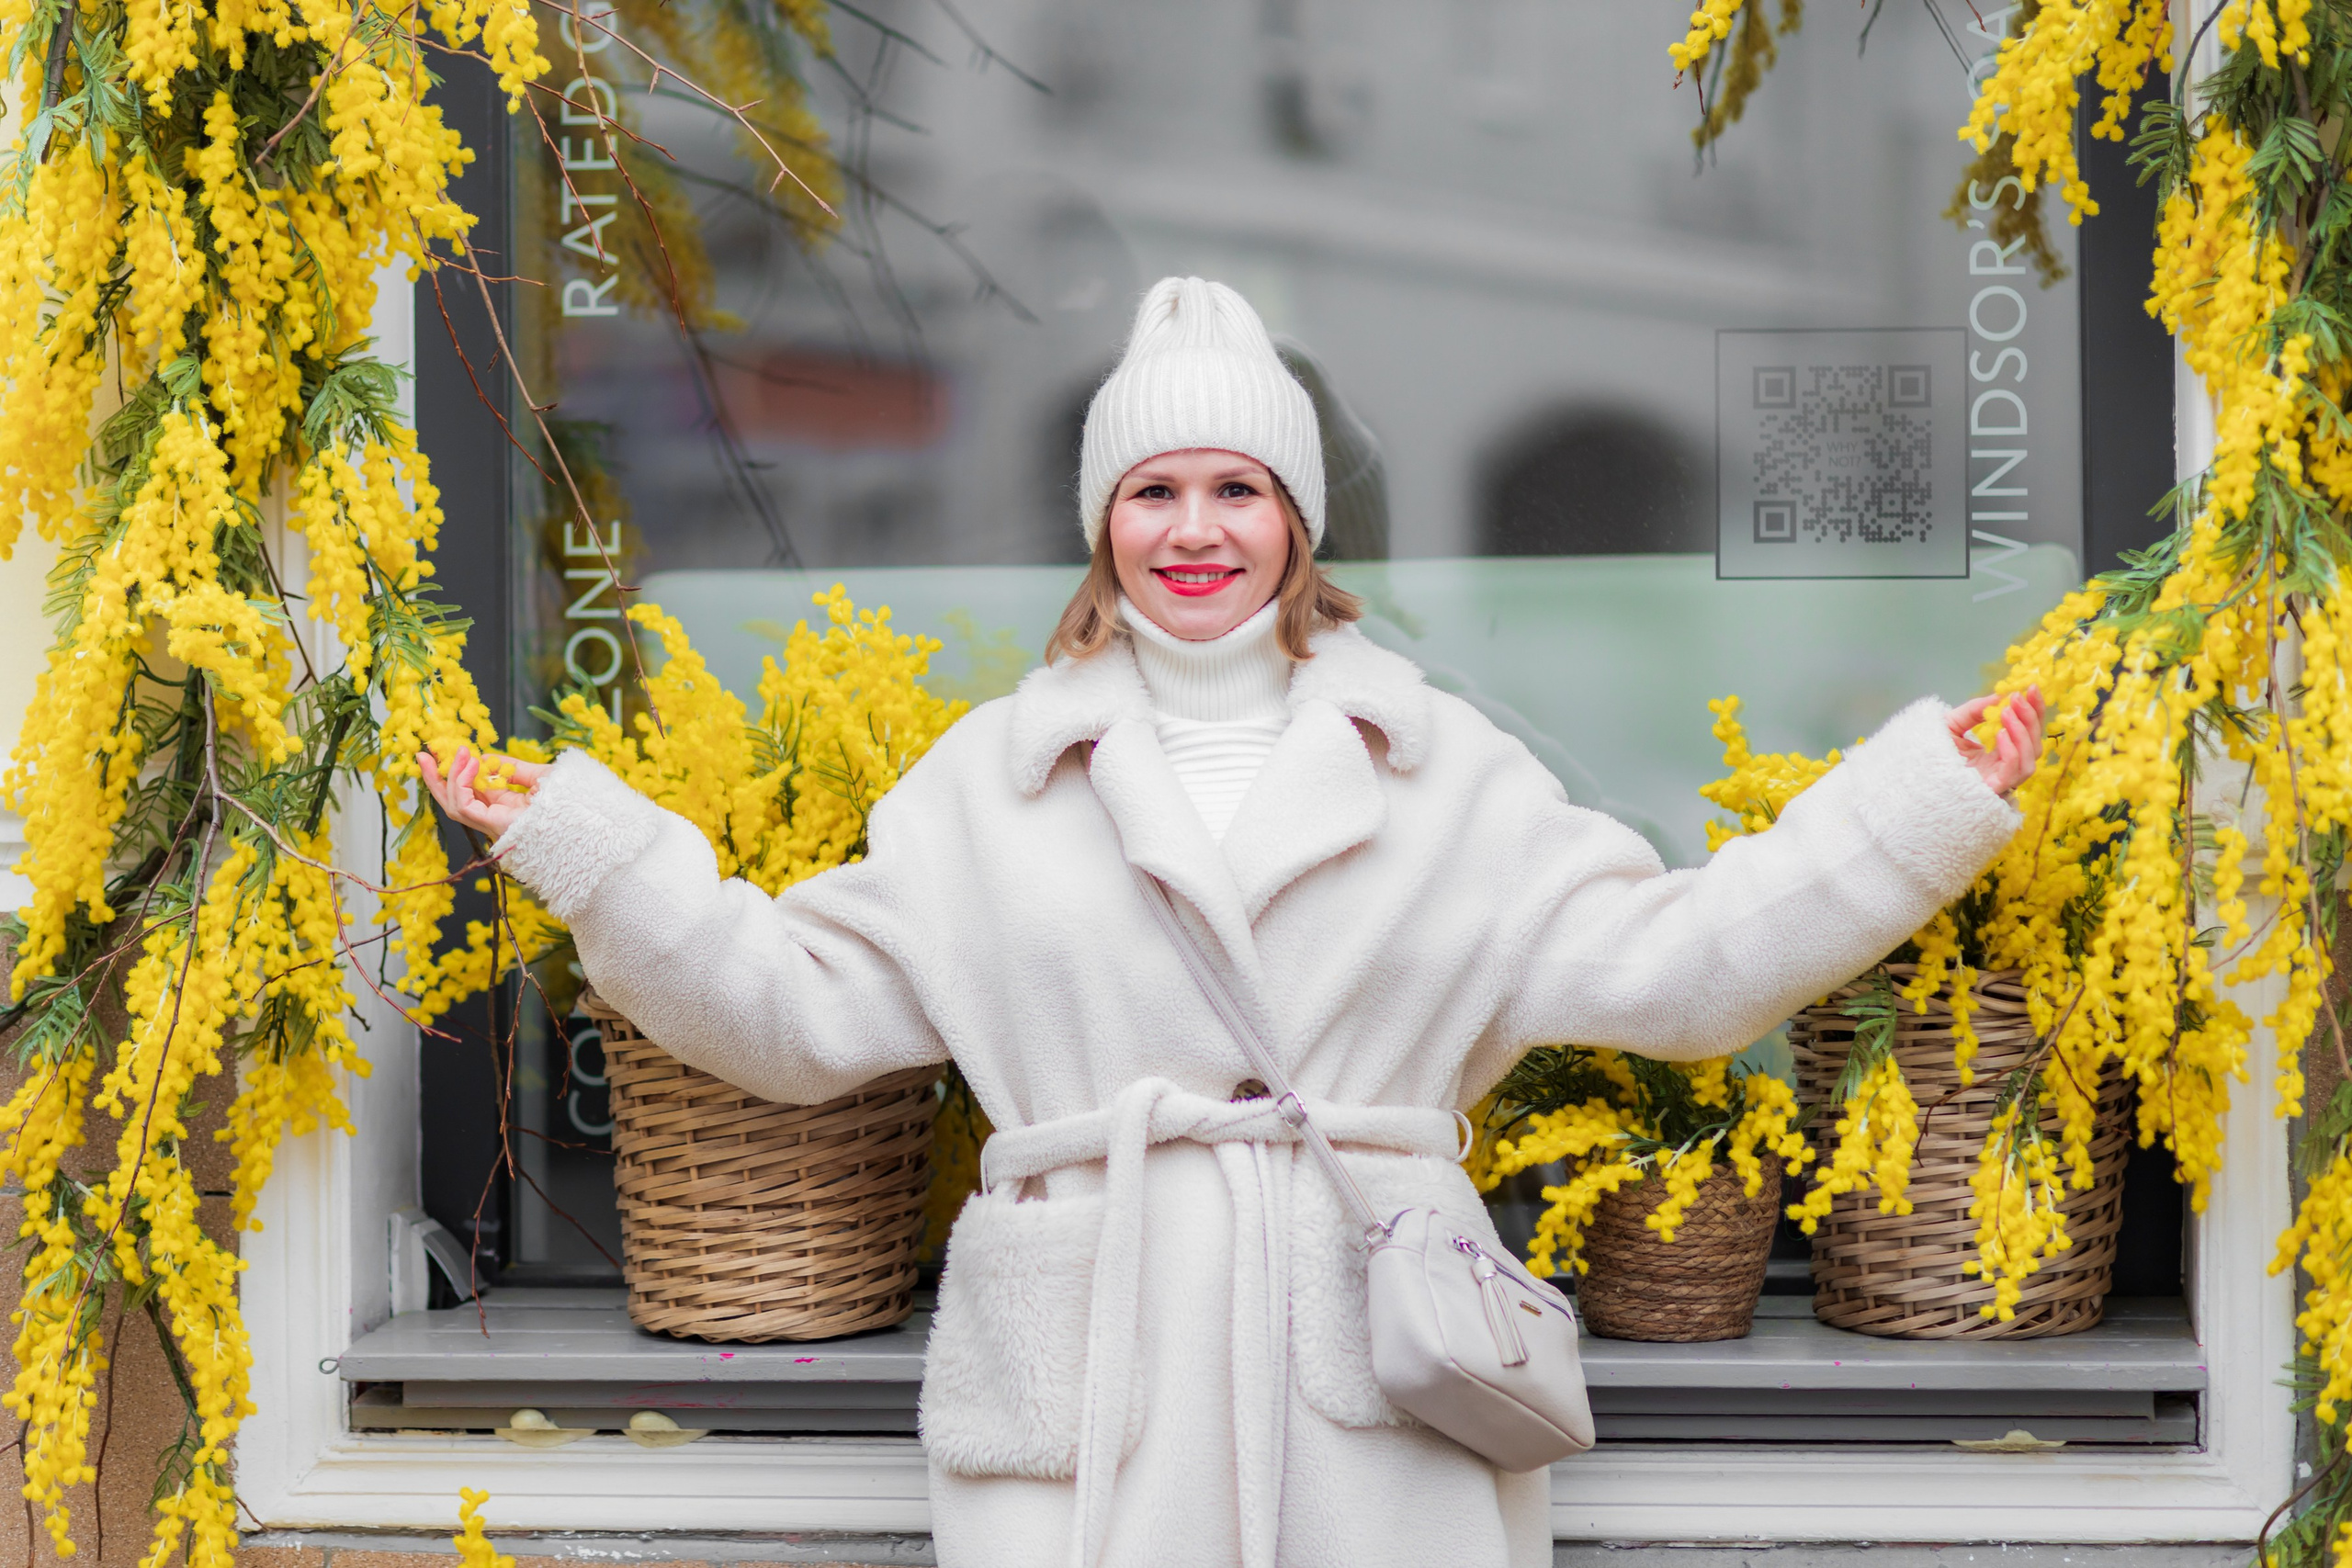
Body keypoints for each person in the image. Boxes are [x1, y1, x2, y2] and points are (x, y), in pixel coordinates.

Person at [422, 276, 2045, 1568]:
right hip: (1090, 1394)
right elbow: (790, 1015)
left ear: (1298, 520)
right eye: (1153, 489)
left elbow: (1683, 973)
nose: (1194, 530)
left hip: (1367, 1404)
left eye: (1237, 487)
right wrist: (586, 847)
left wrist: (1909, 811)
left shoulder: (1441, 771)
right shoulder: (991, 783)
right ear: (1101, 519)